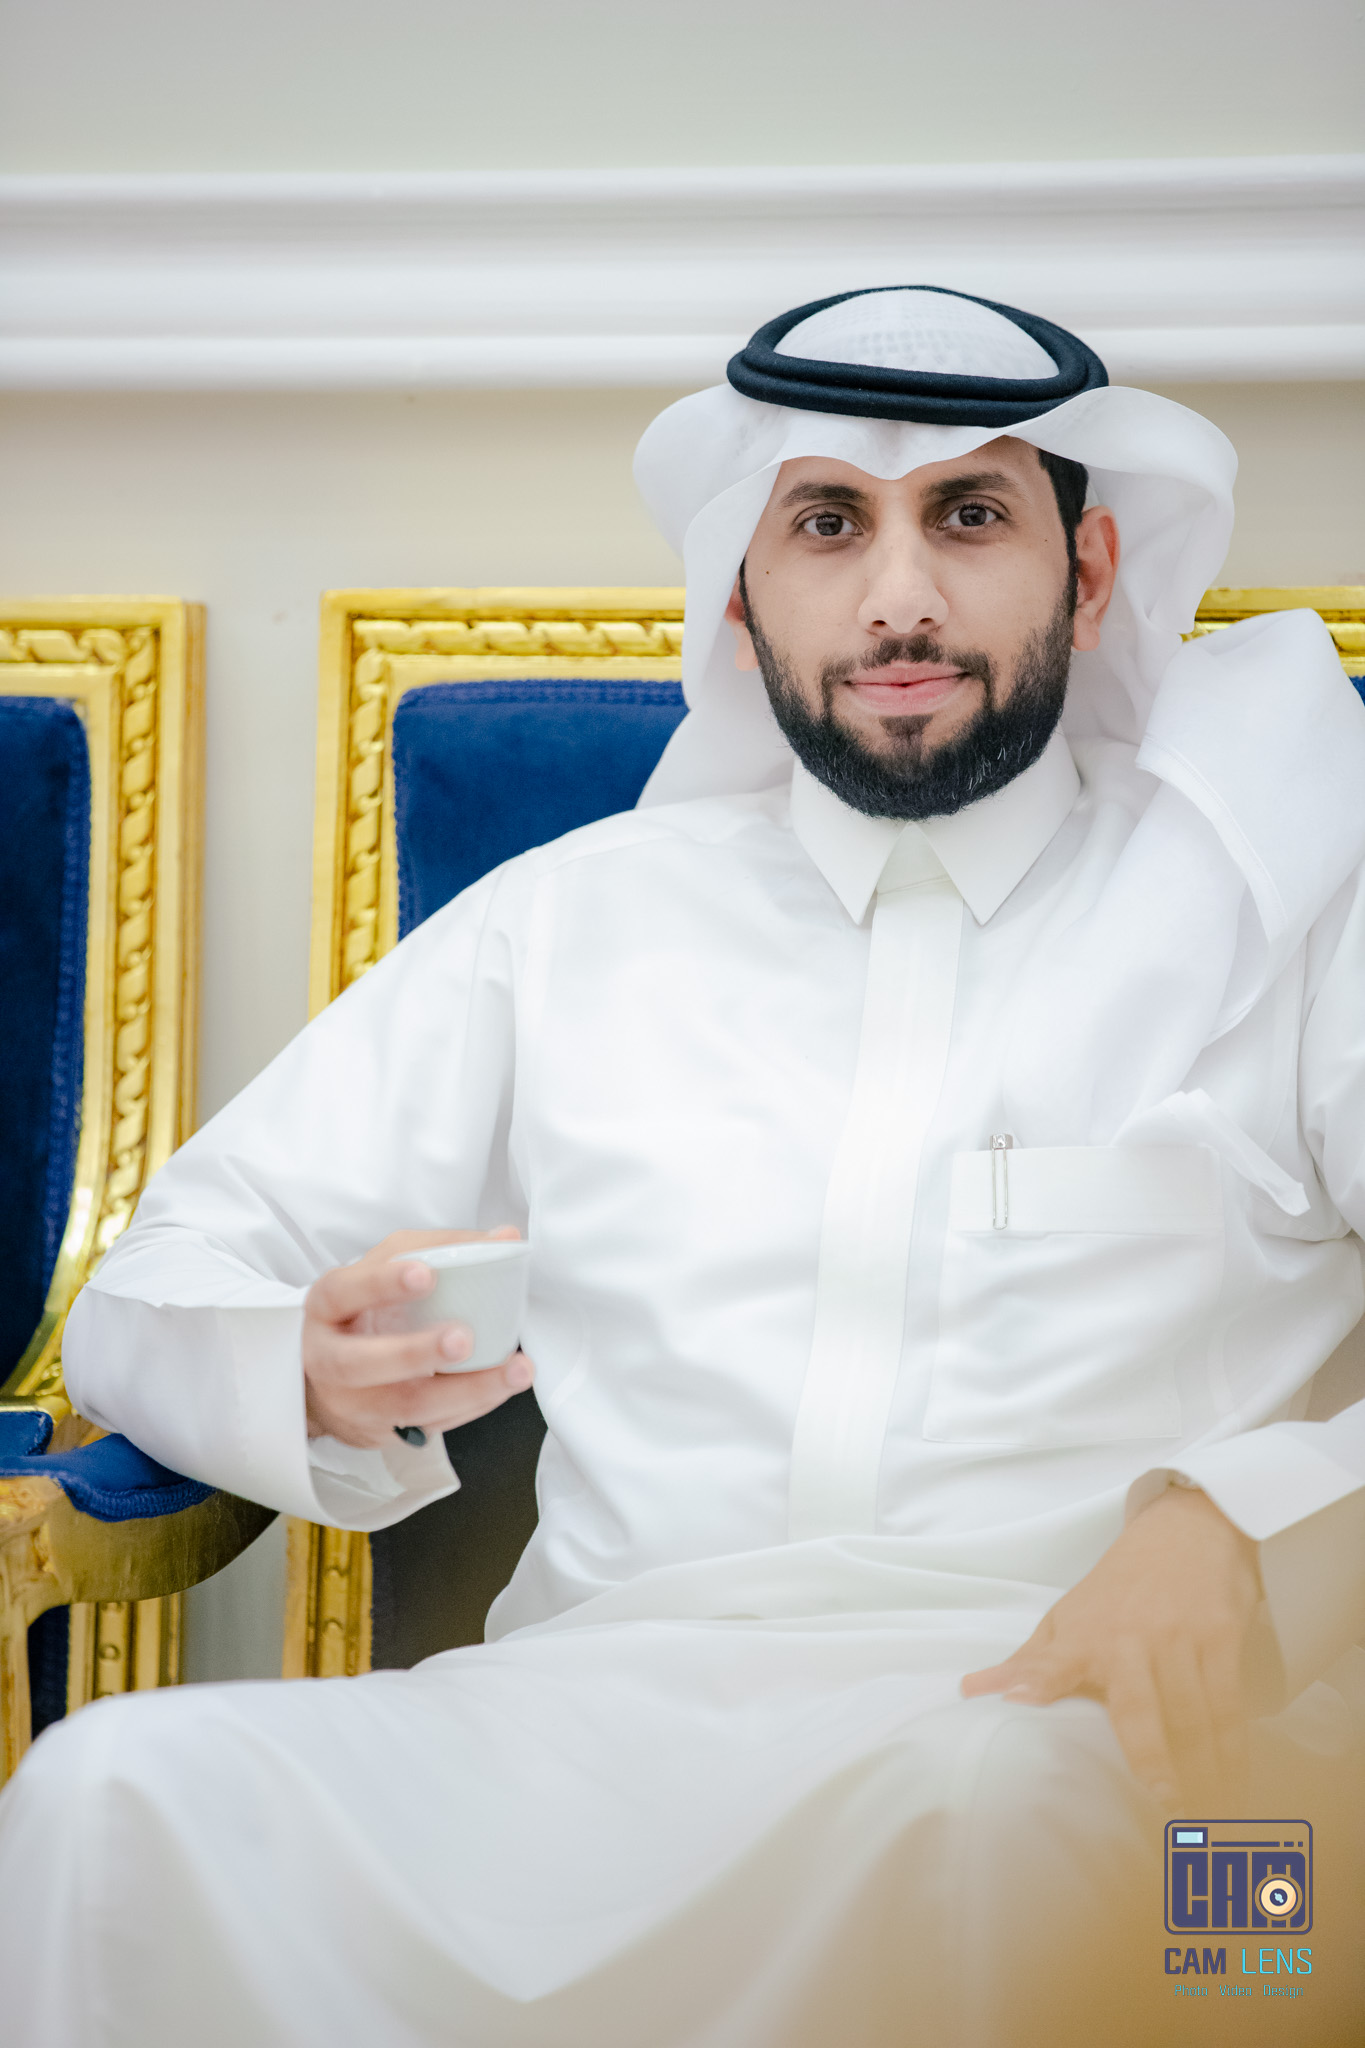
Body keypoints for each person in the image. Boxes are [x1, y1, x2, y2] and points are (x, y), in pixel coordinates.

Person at [2, 286, 1363, 2047]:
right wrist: (302, 1370)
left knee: (1003, 1823)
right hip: (588, 1720)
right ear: (740, 590)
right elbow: (157, 1280)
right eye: (827, 524)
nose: (898, 597)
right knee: (112, 1797)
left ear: (1087, 574)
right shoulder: (574, 925)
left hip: (1095, 1723)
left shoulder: (1283, 897)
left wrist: (1245, 1525)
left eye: (968, 516)